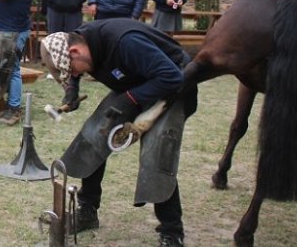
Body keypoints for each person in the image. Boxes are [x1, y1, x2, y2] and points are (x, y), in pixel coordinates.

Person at [57, 19, 197, 247]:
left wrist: (130, 99)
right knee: (95, 134)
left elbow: (172, 77)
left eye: (70, 70)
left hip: (173, 86)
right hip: (138, 83)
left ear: (75, 52)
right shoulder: (81, 41)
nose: (72, 73)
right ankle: (87, 210)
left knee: (156, 152)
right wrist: (72, 88)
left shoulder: (127, 42)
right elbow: (73, 69)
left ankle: (172, 231)